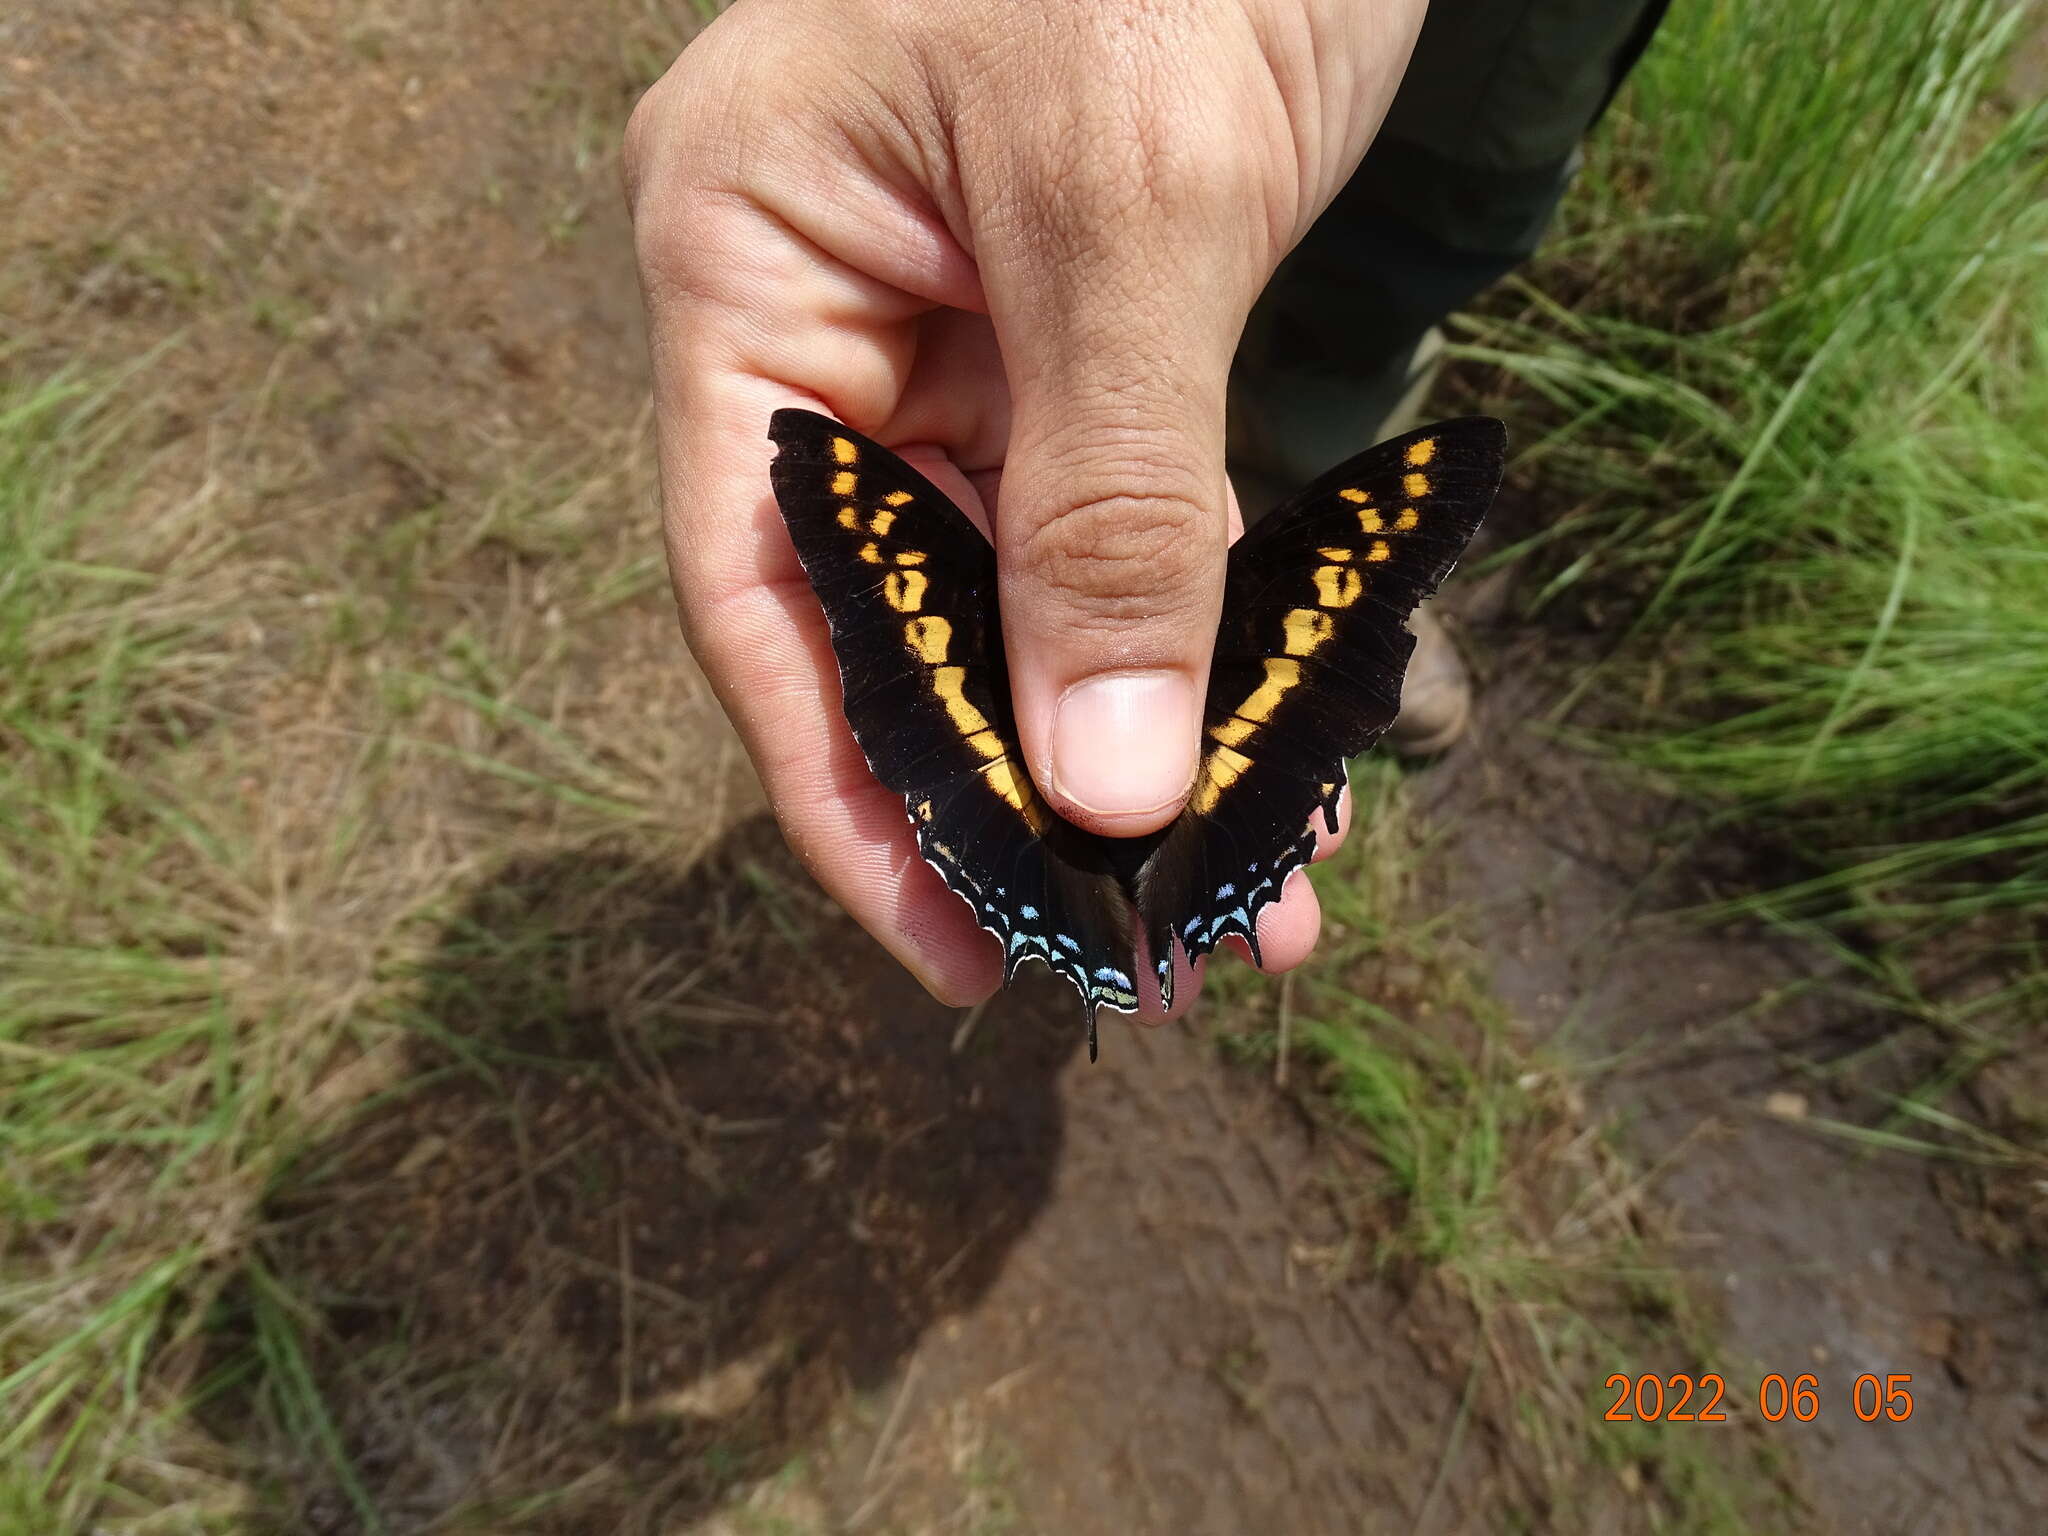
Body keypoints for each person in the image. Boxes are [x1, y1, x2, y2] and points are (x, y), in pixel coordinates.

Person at [623, 0, 1667, 1020]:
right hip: (1159, 759)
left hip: (1043, 769)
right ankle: (1233, 558)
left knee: (1453, 195)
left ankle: (1274, 478)